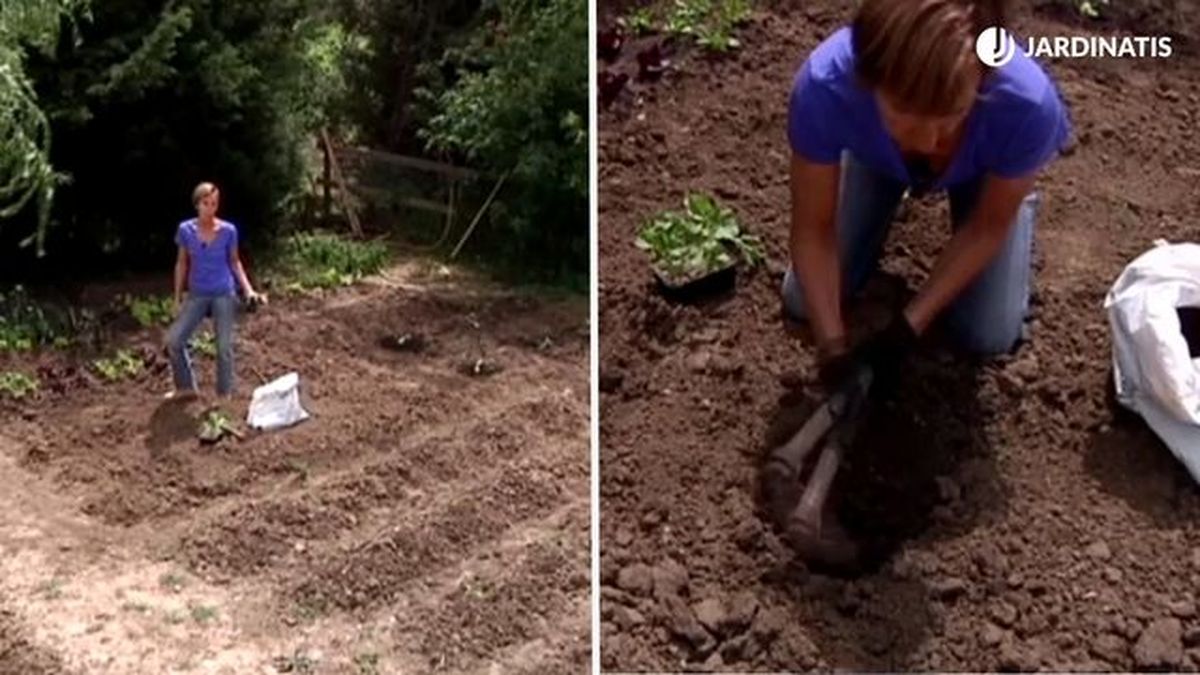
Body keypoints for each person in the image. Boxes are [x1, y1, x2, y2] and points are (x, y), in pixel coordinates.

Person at [783, 0, 1072, 391]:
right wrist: (832, 350)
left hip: (981, 170)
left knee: (987, 332)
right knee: (805, 300)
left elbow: (987, 227)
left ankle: (1014, 202)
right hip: (877, 157)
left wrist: (908, 326)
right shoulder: (826, 86)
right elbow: (813, 231)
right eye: (903, 113)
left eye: (949, 115)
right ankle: (879, 182)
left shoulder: (1025, 106)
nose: (926, 142)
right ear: (870, 78)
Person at [164, 182, 266, 400]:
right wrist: (177, 297)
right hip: (197, 293)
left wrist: (248, 290)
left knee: (223, 347)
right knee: (174, 340)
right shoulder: (186, 230)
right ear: (197, 204)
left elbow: (235, 261)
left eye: (214, 204)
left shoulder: (228, 231)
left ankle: (223, 395)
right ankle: (186, 387)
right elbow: (181, 263)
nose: (210, 208)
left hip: (223, 292)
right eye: (205, 203)